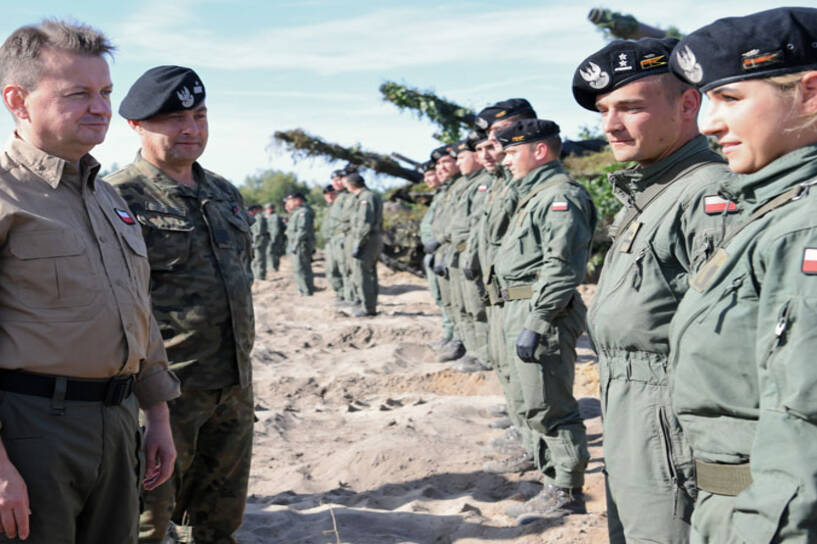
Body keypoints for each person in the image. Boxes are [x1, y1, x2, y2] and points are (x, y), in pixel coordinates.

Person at [0, 20, 180, 543]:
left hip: (118, 423)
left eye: (105, 92)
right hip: (33, 429)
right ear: (18, 99)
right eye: (78, 93)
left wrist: (157, 416)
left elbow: (136, 310)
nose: (100, 107)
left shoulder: (107, 197)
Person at [572, 37, 737, 543]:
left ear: (689, 105)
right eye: (604, 110)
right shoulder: (652, 190)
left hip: (668, 419)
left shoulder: (708, 193)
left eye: (630, 107)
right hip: (628, 405)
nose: (609, 125)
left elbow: (731, 348)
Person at [666, 8, 817, 542]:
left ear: (810, 93)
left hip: (763, 516)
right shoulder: (772, 211)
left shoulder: (802, 228)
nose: (708, 122)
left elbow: (804, 428)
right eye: (708, 100)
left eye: (730, 98)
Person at [108, 65, 255, 544]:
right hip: (162, 394)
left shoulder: (225, 194)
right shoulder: (116, 198)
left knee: (218, 521)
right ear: (136, 125)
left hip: (231, 388)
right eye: (174, 119)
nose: (190, 129)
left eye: (199, 115)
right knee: (146, 523)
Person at [491, 119, 596, 523]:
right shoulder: (532, 195)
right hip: (520, 308)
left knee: (550, 405)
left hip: (542, 310)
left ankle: (566, 490)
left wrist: (537, 321)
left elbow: (562, 266)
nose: (505, 160)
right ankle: (550, 478)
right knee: (529, 402)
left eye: (512, 152)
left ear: (540, 151)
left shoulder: (560, 196)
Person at [419, 159, 456, 348]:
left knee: (450, 298)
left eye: (430, 174)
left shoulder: (450, 193)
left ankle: (453, 336)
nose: (429, 178)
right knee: (441, 297)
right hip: (434, 251)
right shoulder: (440, 195)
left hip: (444, 251)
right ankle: (448, 334)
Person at [343, 173, 382, 317]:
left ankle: (368, 308)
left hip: (367, 239)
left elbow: (365, 222)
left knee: (363, 274)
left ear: (352, 184)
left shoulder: (366, 198)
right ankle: (368, 305)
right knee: (365, 273)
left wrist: (358, 244)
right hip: (368, 238)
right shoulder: (364, 197)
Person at [285, 191, 315, 296]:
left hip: (301, 244)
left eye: (291, 201)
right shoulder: (296, 212)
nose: (289, 203)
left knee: (302, 268)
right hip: (295, 244)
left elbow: (302, 230)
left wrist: (295, 244)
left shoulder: (304, 212)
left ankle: (307, 291)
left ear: (298, 200)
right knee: (297, 268)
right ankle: (302, 289)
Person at [323, 175, 347, 301]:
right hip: (331, 241)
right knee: (332, 270)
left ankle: (347, 295)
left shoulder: (342, 201)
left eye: (332, 193)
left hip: (340, 238)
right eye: (326, 194)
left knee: (344, 268)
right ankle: (340, 293)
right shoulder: (330, 208)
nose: (329, 196)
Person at [249, 204, 269, 280]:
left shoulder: (259, 217)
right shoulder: (257, 217)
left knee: (260, 258)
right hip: (258, 240)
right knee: (257, 259)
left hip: (259, 240)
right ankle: (257, 275)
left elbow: (258, 231)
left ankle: (260, 276)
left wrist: (254, 241)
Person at [265, 202, 286, 273]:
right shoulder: (273, 216)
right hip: (274, 238)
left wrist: (273, 239)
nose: (267, 210)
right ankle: (274, 267)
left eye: (268, 208)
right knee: (273, 253)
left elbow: (275, 229)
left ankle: (273, 268)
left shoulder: (274, 217)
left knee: (271, 253)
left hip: (273, 238)